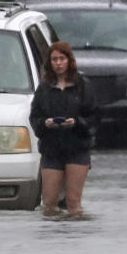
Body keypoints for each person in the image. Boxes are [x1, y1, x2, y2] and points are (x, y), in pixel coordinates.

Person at [29, 40, 98, 218]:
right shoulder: (44, 88)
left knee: (73, 202)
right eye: (54, 59)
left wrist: (77, 123)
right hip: (51, 150)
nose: (58, 63)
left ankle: (74, 238)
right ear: (49, 63)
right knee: (49, 203)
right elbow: (34, 117)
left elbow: (94, 117)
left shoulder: (83, 85)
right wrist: (45, 124)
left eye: (61, 58)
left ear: (69, 60)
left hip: (77, 149)